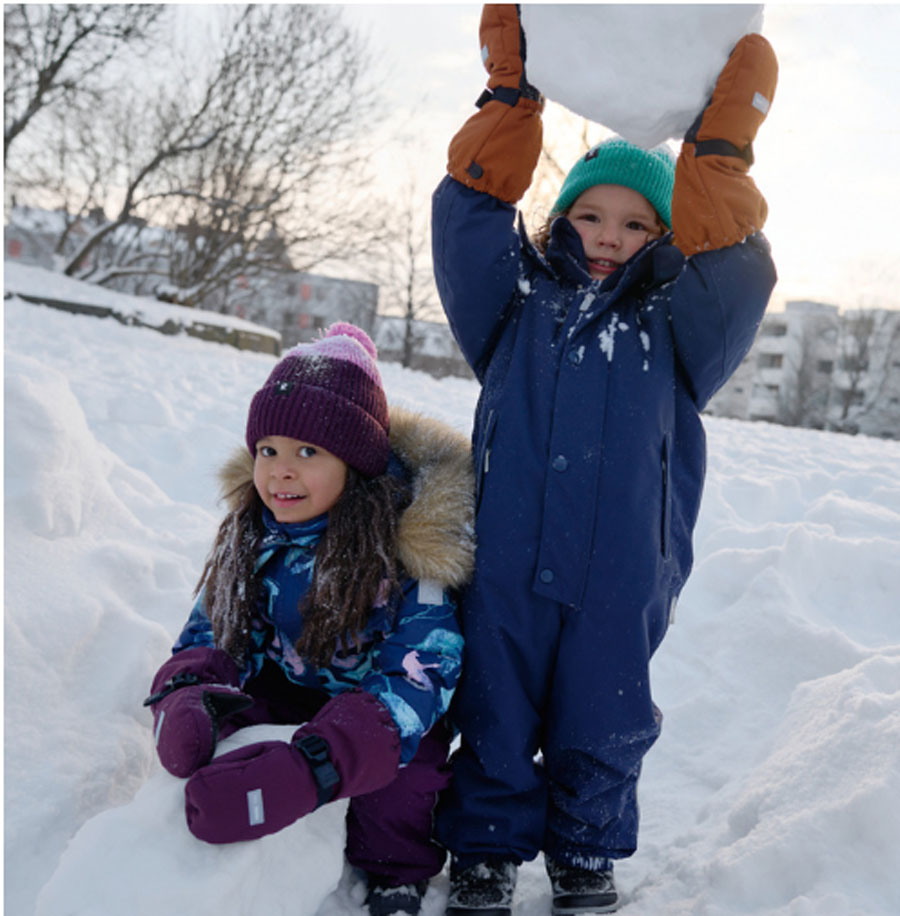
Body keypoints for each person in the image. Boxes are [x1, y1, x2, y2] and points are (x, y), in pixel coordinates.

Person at [430, 5, 778, 914]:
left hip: (624, 570)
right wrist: (510, 101)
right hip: (507, 559)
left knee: (606, 714)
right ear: (561, 217)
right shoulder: (512, 307)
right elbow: (469, 219)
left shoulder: (679, 329)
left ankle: (586, 847)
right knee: (496, 704)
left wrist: (719, 156)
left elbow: (739, 270)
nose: (608, 235)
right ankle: (488, 846)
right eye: (588, 214)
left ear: (668, 233)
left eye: (635, 221)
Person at [143, 323, 473, 916]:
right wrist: (185, 694)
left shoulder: (404, 550)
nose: (281, 471)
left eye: (308, 452)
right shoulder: (253, 534)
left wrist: (313, 768)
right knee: (232, 735)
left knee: (404, 785)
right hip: (290, 691)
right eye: (267, 450)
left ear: (355, 463)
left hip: (379, 709)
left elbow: (421, 673)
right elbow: (211, 625)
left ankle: (394, 873)